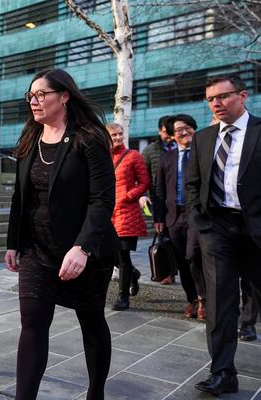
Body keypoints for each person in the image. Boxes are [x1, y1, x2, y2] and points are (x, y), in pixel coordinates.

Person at [5, 69, 120, 400]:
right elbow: (20, 197)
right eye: (31, 96)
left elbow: (102, 200)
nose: (34, 102)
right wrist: (13, 243)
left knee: (92, 321)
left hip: (84, 251)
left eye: (41, 94)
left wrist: (82, 247)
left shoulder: (88, 138)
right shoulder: (29, 140)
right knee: (32, 322)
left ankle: (95, 391)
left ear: (64, 96)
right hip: (37, 250)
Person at [187, 75, 261, 396]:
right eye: (210, 99)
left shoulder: (259, 131)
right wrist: (200, 223)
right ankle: (223, 372)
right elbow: (192, 184)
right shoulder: (202, 138)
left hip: (256, 229)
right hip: (216, 229)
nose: (216, 103)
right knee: (219, 304)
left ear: (242, 96)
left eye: (223, 97)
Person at [153, 114, 205, 320]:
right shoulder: (168, 157)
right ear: (172, 136)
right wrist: (158, 217)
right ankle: (192, 299)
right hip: (173, 216)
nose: (183, 132)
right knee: (182, 260)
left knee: (193, 255)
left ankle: (204, 299)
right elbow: (158, 190)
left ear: (194, 128)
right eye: (178, 130)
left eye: (186, 128)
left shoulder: (202, 154)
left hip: (197, 214)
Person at [106, 123, 150, 311]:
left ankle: (123, 297)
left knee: (122, 256)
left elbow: (144, 182)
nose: (118, 138)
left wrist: (129, 196)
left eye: (120, 134)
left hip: (126, 212)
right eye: (113, 135)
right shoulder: (102, 157)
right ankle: (133, 274)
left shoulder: (134, 156)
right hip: (107, 214)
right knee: (111, 256)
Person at [139, 116, 176, 284]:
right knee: (163, 238)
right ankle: (167, 272)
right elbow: (143, 176)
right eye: (165, 133)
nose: (169, 137)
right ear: (159, 131)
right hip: (159, 200)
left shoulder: (184, 145)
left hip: (181, 200)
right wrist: (144, 194)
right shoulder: (150, 151)